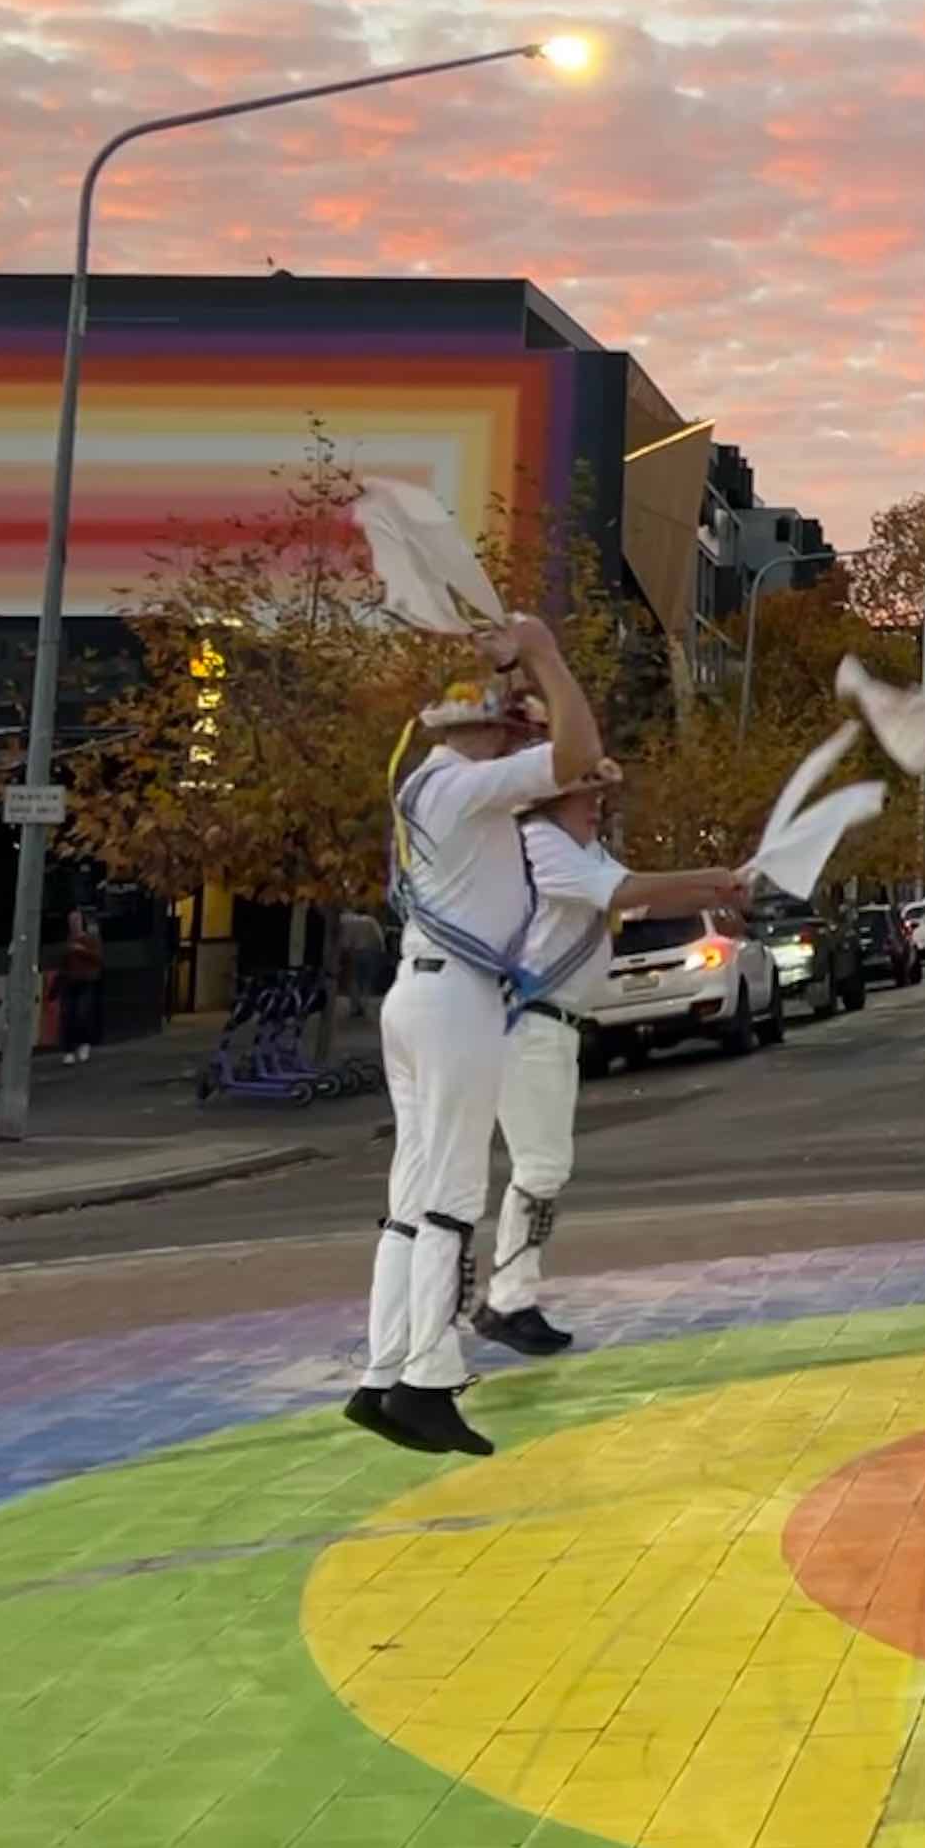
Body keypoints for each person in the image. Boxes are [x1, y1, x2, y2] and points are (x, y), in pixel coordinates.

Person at [349, 611, 600, 1460]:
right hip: (455, 1001)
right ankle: (426, 1380)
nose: (521, 734)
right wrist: (545, 654)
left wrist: (529, 670)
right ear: (488, 730)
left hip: (418, 994)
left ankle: (385, 1371)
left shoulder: (430, 783)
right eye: (512, 723)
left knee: (410, 1202)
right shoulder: (463, 785)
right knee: (453, 1199)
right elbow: (577, 754)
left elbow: (573, 755)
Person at [481, 760, 751, 1359]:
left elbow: (641, 903)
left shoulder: (580, 851)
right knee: (540, 1168)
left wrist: (716, 889)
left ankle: (508, 1295)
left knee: (543, 1167)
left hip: (551, 1028)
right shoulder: (540, 846)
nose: (598, 802)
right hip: (530, 1026)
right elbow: (624, 894)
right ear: (550, 798)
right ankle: (505, 1299)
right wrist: (711, 874)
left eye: (600, 793)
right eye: (586, 792)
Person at [55, 907, 105, 1068]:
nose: (74, 924)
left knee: (82, 1013)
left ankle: (84, 1043)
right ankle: (69, 1050)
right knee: (68, 1014)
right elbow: (62, 961)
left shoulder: (90, 939)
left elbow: (98, 958)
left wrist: (82, 951)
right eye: (71, 921)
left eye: (76, 921)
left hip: (86, 980)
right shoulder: (68, 940)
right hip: (70, 980)